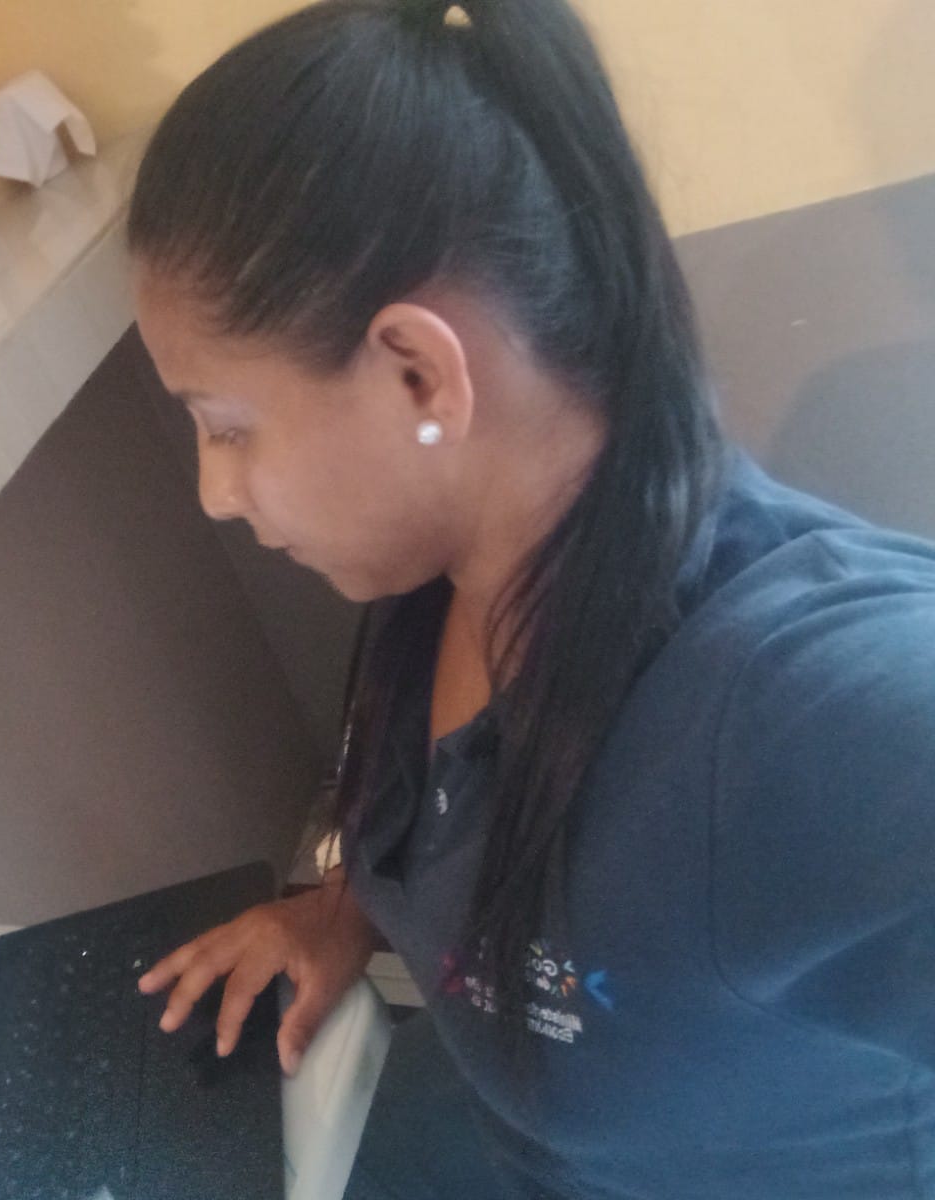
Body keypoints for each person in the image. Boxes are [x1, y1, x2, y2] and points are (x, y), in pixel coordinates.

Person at [123, 1, 935, 1197]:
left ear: (417, 373)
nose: (215, 493)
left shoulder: (798, 720)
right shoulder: (446, 571)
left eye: (228, 427)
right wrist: (345, 911)